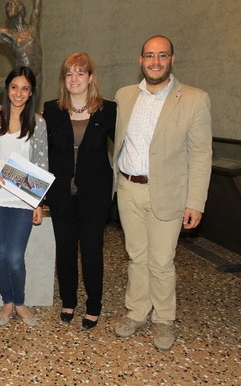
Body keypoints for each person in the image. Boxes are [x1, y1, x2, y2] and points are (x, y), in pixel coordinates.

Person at [113, 35, 212, 350]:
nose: (155, 62)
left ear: (172, 59)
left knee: (161, 260)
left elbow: (200, 155)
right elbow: (115, 143)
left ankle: (164, 320)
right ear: (140, 60)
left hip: (167, 192)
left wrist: (195, 201)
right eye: (149, 56)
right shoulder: (125, 96)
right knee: (136, 256)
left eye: (162, 55)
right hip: (128, 189)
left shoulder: (194, 99)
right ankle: (137, 311)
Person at [43, 53, 116, 330]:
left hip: (95, 196)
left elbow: (124, 147)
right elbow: (39, 146)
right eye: (69, 74)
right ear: (64, 79)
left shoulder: (108, 110)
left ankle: (94, 304)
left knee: (91, 250)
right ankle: (68, 300)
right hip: (61, 194)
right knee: (64, 249)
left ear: (90, 77)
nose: (74, 79)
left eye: (80, 73)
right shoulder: (51, 110)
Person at [0, 66, 48, 327]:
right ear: (7, 89)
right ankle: (7, 302)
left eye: (25, 89)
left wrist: (37, 202)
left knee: (15, 255)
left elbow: (42, 164)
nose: (19, 93)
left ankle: (19, 301)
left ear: (31, 93)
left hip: (22, 198)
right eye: (14, 87)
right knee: (0, 252)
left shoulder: (38, 123)